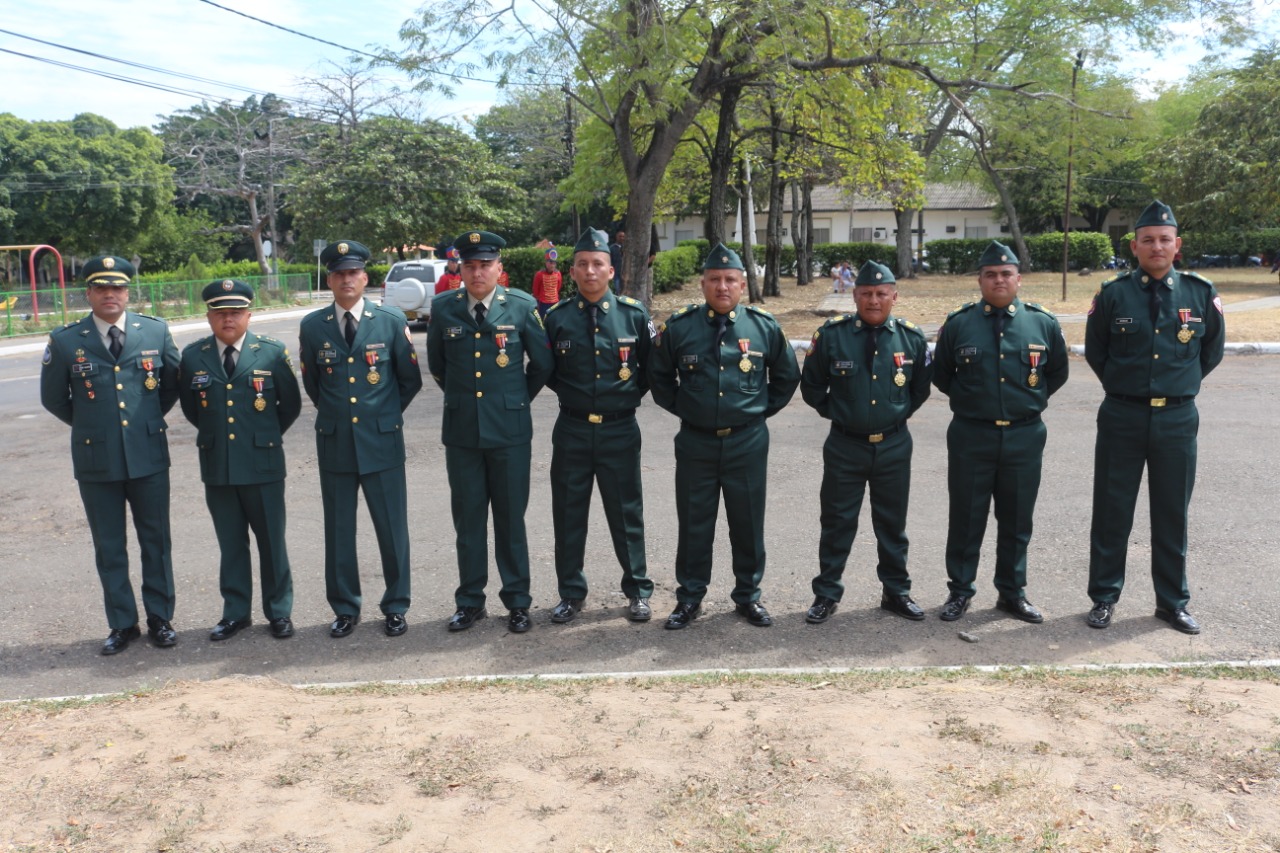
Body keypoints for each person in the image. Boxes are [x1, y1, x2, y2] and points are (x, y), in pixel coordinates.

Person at [1084, 200, 1225, 634]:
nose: (1157, 246)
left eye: (1165, 239)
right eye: (1148, 240)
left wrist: (1176, 384)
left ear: (1177, 245)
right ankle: (1104, 597)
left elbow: (1210, 352)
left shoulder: (1200, 293)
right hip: (1122, 415)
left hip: (1177, 419)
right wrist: (1128, 386)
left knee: (1171, 514)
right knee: (1112, 511)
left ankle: (1172, 602)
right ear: (1134, 246)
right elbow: (1097, 352)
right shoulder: (1113, 294)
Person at [650, 243, 801, 629]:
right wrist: (689, 410)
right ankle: (689, 598)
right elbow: (659, 378)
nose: (722, 286)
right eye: (714, 279)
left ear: (742, 284)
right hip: (696, 441)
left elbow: (787, 377)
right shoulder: (679, 328)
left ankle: (748, 596)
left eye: (730, 279)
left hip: (747, 442)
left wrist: (755, 413)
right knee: (694, 522)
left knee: (747, 522)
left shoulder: (764, 327)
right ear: (702, 283)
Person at [39, 254, 180, 655]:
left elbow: (171, 385)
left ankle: (160, 618)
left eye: (117, 287)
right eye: (101, 288)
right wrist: (94, 426)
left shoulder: (155, 331)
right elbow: (53, 398)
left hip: (148, 454)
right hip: (96, 459)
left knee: (156, 541)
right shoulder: (66, 341)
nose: (110, 294)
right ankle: (122, 623)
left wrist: (145, 421)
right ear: (88, 293)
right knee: (109, 545)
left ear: (127, 292)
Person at [931, 240, 1069, 624]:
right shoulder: (959, 324)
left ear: (1018, 279)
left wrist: (1027, 401)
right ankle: (960, 591)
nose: (998, 280)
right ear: (980, 281)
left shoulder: (1042, 323)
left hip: (1025, 435)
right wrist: (976, 403)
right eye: (990, 274)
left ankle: (1012, 593)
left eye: (1006, 273)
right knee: (966, 517)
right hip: (971, 435)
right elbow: (941, 375)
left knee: (1017, 520)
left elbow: (1056, 372)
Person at [426, 230, 555, 633]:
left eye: (485, 265)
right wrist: (469, 401)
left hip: (510, 433)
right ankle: (470, 601)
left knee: (510, 520)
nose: (477, 272)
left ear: (500, 268)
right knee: (468, 522)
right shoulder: (444, 308)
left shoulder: (521, 306)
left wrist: (514, 400)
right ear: (460, 269)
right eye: (470, 265)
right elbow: (438, 367)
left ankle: (517, 601)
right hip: (462, 432)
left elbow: (542, 364)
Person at [298, 240, 423, 639]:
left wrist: (381, 417)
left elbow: (409, 380)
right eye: (339, 274)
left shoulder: (389, 320)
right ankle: (345, 608)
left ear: (365, 278)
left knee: (392, 529)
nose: (346, 280)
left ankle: (396, 605)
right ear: (329, 280)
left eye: (353, 273)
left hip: (382, 442)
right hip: (335, 442)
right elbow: (314, 385)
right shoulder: (312, 326)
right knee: (339, 531)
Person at [800, 260, 932, 625]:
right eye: (866, 294)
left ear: (894, 297)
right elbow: (812, 387)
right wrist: (841, 413)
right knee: (837, 521)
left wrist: (894, 415)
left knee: (892, 523)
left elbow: (920, 389)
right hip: (845, 445)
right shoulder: (832, 335)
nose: (874, 300)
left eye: (881, 294)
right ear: (855, 296)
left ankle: (896, 592)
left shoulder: (911, 338)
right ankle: (827, 593)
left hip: (893, 445)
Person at [542, 227, 656, 624]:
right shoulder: (556, 318)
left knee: (627, 513)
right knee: (568, 513)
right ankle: (571, 593)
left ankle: (638, 590)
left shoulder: (634, 315)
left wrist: (619, 400)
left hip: (619, 430)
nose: (590, 271)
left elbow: (649, 371)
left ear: (611, 270)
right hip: (571, 429)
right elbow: (549, 371)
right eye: (582, 264)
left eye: (597, 264)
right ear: (572, 272)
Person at [178, 279, 303, 641]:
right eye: (220, 313)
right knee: (231, 544)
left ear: (249, 315)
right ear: (209, 316)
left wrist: (262, 437)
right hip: (218, 465)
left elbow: (290, 406)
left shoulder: (271, 353)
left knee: (272, 542)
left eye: (235, 312)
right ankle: (235, 613)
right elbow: (192, 409)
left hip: (263, 465)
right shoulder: (194, 357)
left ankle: (279, 611)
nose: (228, 319)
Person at [531, 248, 563, 318]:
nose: (552, 265)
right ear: (546, 263)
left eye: (554, 263)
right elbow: (535, 290)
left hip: (555, 302)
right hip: (543, 304)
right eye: (550, 263)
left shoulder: (558, 273)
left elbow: (558, 287)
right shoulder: (539, 274)